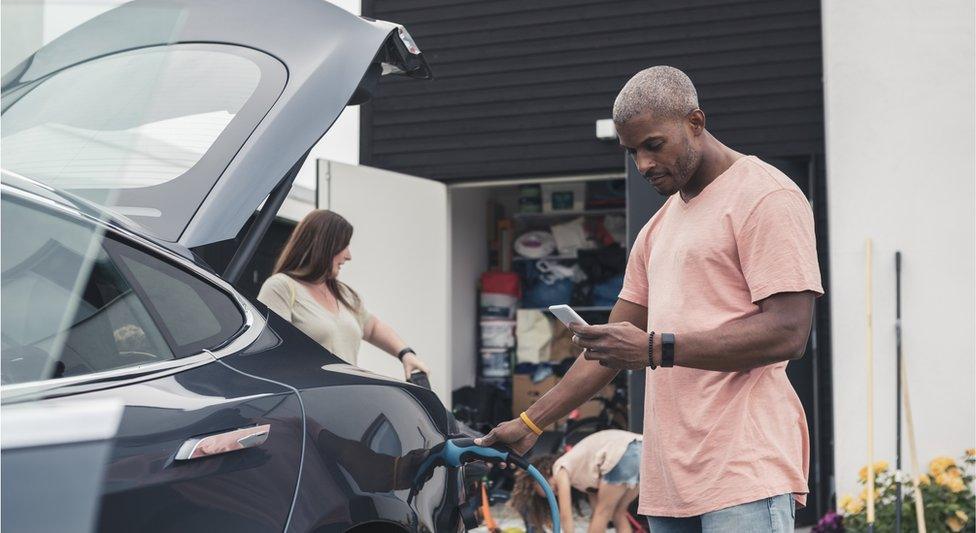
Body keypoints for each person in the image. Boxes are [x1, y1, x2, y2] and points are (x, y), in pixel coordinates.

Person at [477, 66, 823, 533]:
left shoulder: (765, 196)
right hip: (667, 480)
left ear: (695, 123)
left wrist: (656, 349)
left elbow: (789, 331)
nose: (642, 164)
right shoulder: (657, 228)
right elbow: (606, 351)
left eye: (653, 145)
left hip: (743, 469)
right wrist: (529, 424)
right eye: (631, 151)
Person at [258, 209, 430, 380]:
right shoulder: (281, 288)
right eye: (344, 246)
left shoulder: (344, 294)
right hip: (307, 401)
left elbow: (372, 328)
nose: (349, 256)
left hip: (345, 398)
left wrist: (406, 354)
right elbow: (272, 353)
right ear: (323, 246)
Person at [512, 430, 642, 533]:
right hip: (641, 447)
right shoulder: (585, 478)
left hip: (624, 450)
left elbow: (565, 515)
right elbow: (595, 510)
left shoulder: (560, 469)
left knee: (602, 512)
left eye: (550, 487)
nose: (554, 492)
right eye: (553, 494)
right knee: (618, 512)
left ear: (546, 472)